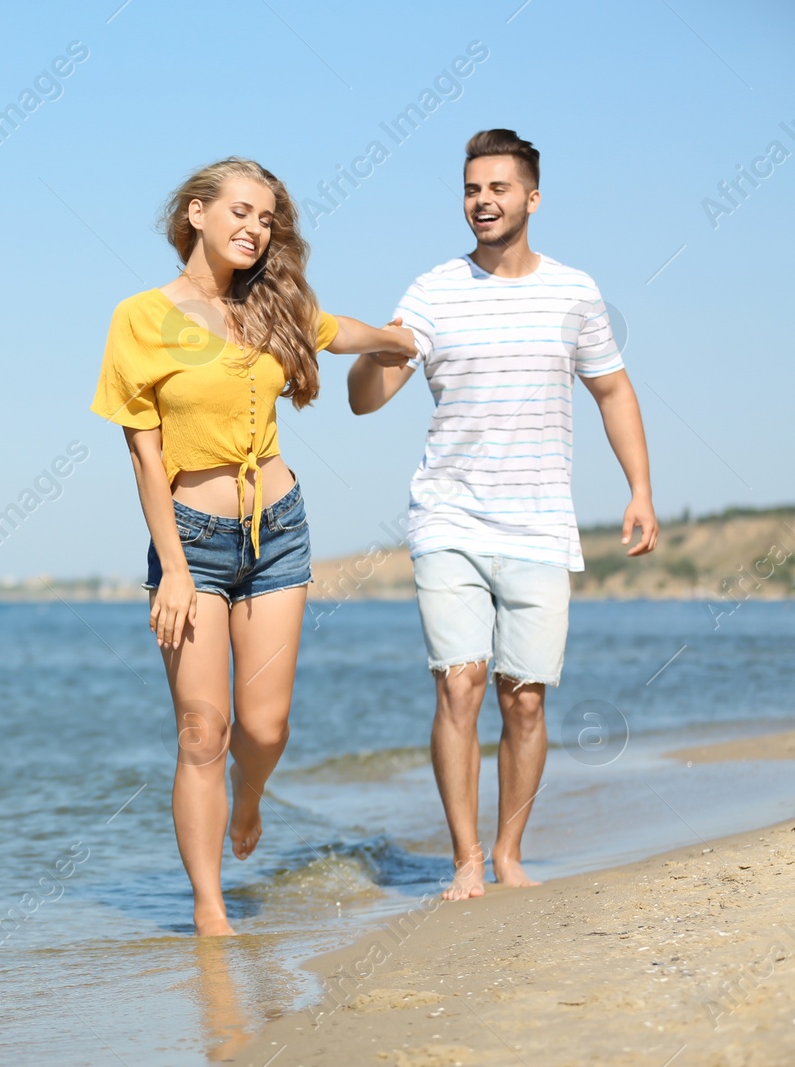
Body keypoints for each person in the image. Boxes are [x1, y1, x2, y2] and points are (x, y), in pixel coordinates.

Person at [90, 157, 417, 936]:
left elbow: (343, 335)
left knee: (264, 729)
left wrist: (406, 337)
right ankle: (211, 910)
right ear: (196, 213)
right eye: (240, 211)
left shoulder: (277, 304)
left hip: (278, 532)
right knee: (204, 730)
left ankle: (251, 796)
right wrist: (171, 566)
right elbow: (143, 452)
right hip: (192, 544)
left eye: (266, 218)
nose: (254, 227)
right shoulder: (139, 317)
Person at [346, 129, 659, 901]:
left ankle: (510, 851)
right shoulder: (431, 291)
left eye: (497, 188)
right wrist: (376, 351)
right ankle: (464, 861)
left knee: (524, 696)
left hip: (540, 522)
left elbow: (612, 391)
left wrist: (640, 490)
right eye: (470, 189)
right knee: (460, 683)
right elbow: (364, 399)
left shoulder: (575, 293)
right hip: (447, 517)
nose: (482, 201)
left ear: (532, 198)